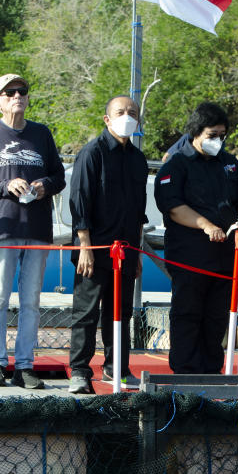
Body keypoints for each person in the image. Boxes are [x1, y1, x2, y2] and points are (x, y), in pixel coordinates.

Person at [0, 74, 66, 388]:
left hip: (37, 228)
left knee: (31, 301)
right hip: (2, 228)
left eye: (21, 91)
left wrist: (43, 186)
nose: (17, 96)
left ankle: (25, 365)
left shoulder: (42, 133)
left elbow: (59, 176)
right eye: (9, 92)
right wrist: (4, 185)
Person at [154, 102, 238, 374]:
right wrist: (206, 226)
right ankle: (185, 370)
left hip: (225, 256)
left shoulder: (230, 163)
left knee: (216, 317)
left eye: (222, 135)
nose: (217, 140)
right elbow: (173, 208)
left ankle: (211, 370)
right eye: (212, 135)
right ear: (196, 133)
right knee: (188, 313)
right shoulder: (176, 164)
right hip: (190, 254)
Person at [67, 96, 149, 394]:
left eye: (132, 113)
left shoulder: (138, 159)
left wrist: (137, 251)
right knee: (86, 313)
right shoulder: (92, 153)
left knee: (121, 312)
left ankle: (118, 369)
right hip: (95, 248)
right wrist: (85, 246)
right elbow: (79, 202)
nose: (126, 117)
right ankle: (79, 371)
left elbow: (139, 209)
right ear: (107, 119)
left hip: (126, 249)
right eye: (120, 112)